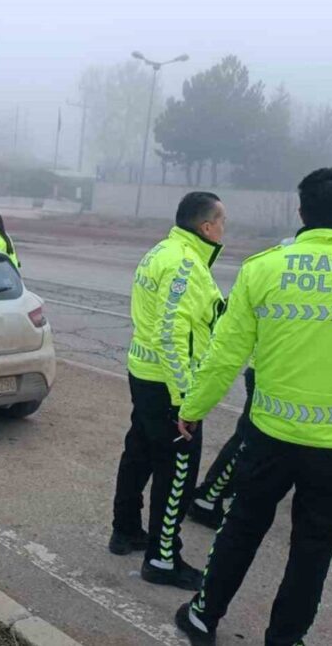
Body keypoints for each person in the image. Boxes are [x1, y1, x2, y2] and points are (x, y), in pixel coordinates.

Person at [173, 168, 332, 646]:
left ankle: (203, 617)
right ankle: (285, 639)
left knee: (241, 529)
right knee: (312, 550)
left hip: (269, 438)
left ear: (301, 213)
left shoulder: (263, 268)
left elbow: (223, 356)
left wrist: (192, 409)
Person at [109, 191, 226, 591]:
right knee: (177, 469)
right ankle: (162, 558)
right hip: (167, 385)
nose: (223, 229)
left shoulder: (161, 250)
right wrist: (186, 401)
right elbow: (171, 334)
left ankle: (124, 530)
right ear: (206, 226)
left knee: (139, 452)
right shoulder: (185, 264)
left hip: (143, 374)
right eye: (221, 222)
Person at [187, 366, 332, 548]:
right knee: (250, 441)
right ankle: (208, 497)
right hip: (280, 372)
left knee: (253, 442)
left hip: (292, 372)